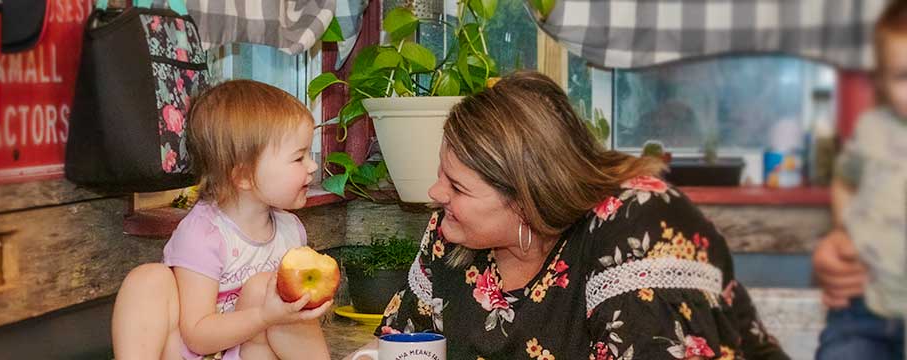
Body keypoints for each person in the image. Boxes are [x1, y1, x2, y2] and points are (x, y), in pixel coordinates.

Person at [373, 72, 787, 359]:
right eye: (441, 173)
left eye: (458, 186)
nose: (435, 193)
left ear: (527, 199)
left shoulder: (639, 225)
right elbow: (404, 345)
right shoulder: (451, 232)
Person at [111, 80, 333, 360]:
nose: (312, 165)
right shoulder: (203, 234)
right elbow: (198, 337)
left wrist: (301, 306)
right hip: (200, 352)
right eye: (298, 158)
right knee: (147, 280)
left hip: (249, 352)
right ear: (242, 176)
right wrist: (264, 316)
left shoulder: (291, 230)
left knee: (265, 288)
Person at [812, 1, 907, 358]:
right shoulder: (872, 129)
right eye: (903, 77)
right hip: (861, 307)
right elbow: (845, 180)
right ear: (881, 81)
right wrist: (841, 231)